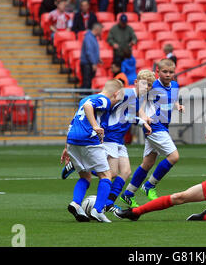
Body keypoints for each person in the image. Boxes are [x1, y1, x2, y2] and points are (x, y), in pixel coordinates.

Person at [61, 70, 156, 213]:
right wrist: (98, 126)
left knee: (125, 171)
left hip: (119, 139)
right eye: (144, 84)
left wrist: (143, 121)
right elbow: (108, 106)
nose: (146, 88)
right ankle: (100, 202)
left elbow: (129, 116)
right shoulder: (127, 94)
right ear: (136, 82)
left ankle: (108, 203)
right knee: (109, 174)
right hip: (110, 136)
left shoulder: (136, 99)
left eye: (149, 85)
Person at [120, 59, 185, 208]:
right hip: (154, 126)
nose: (168, 75)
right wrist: (143, 117)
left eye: (171, 72)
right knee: (174, 157)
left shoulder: (175, 85)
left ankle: (128, 194)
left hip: (163, 125)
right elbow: (140, 105)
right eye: (165, 72)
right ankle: (149, 185)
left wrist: (178, 105)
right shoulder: (152, 86)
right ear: (158, 72)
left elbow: (172, 98)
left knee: (147, 163)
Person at [60, 79, 125, 223]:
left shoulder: (85, 98)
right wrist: (95, 126)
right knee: (106, 175)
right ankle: (98, 210)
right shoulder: (103, 99)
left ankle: (76, 203)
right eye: (118, 99)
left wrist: (66, 147)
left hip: (73, 140)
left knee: (85, 177)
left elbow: (73, 121)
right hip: (88, 140)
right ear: (116, 93)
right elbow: (89, 107)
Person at [80, 22, 103, 90]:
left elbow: (93, 51)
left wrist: (97, 59)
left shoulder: (92, 37)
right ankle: (83, 99)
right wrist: (93, 63)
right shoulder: (89, 37)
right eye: (101, 30)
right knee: (86, 83)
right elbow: (89, 52)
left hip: (89, 63)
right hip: (87, 64)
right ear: (97, 29)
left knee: (88, 83)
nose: (101, 32)